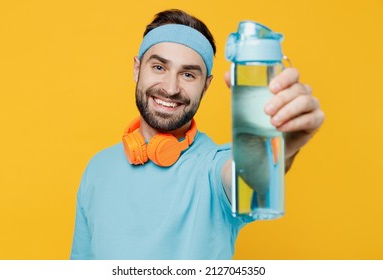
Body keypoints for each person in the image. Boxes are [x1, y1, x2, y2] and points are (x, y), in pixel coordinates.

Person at [70, 9, 324, 260]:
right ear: (137, 69)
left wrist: (278, 146)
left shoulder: (215, 166)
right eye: (159, 67)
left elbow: (249, 173)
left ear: (206, 85)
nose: (170, 88)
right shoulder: (98, 167)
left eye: (188, 74)